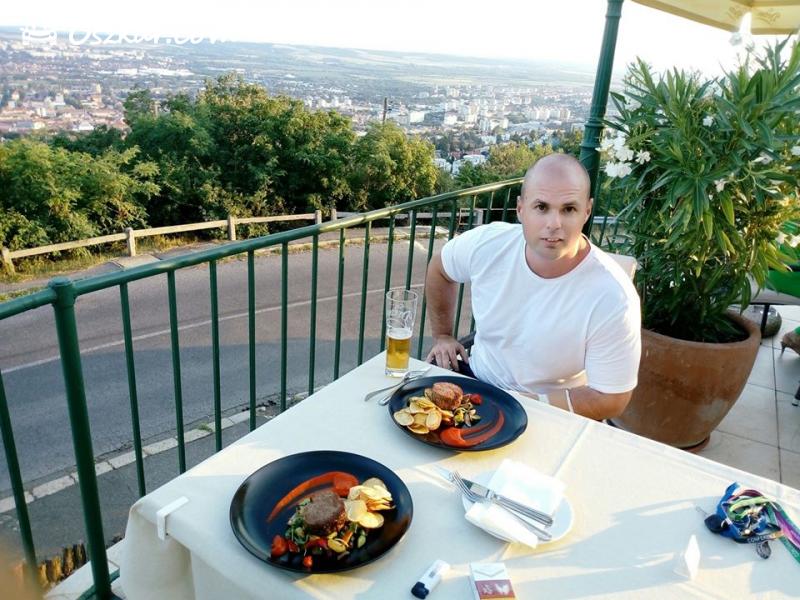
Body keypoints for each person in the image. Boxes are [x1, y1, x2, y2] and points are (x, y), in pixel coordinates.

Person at [424, 153, 641, 420]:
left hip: (551, 412)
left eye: (568, 209)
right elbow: (439, 268)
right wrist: (443, 336)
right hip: (478, 386)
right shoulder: (488, 244)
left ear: (587, 211)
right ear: (520, 209)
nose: (554, 224)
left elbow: (612, 397)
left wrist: (527, 404)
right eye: (541, 207)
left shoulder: (613, 296)